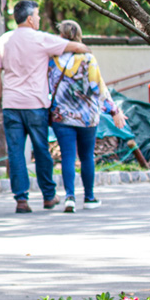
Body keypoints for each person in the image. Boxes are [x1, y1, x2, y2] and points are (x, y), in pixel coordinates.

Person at [0, 0, 89, 214]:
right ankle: (48, 196)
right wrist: (81, 49)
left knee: (15, 153)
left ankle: (21, 200)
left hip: (11, 105)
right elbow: (78, 47)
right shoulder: (42, 38)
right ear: (29, 19)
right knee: (41, 150)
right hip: (36, 105)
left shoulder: (4, 40)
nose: (39, 19)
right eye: (36, 15)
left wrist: (3, 96)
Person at [48, 20, 127, 211]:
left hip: (62, 116)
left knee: (67, 156)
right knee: (86, 157)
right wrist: (113, 110)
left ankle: (69, 197)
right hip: (87, 117)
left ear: (62, 37)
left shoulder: (52, 61)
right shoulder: (88, 59)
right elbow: (98, 88)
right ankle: (89, 197)